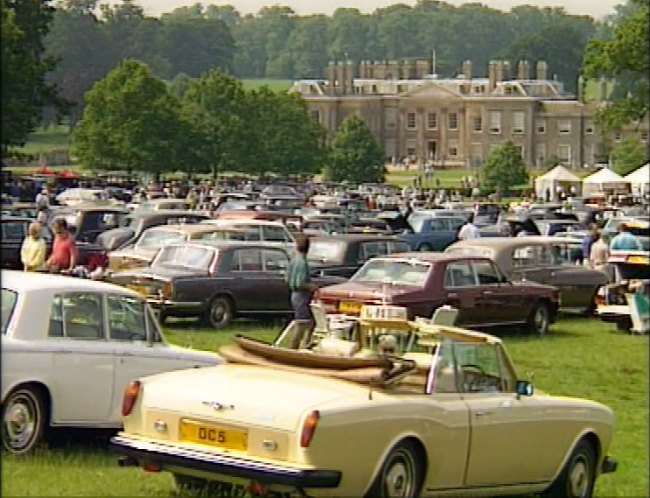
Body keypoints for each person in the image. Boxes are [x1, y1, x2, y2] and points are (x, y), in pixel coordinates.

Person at [285, 234, 318, 348]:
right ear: (308, 247)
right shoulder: (302, 263)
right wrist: (312, 287)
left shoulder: (293, 261)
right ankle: (294, 348)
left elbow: (287, 279)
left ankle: (306, 345)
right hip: (301, 296)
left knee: (310, 322)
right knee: (302, 323)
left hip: (294, 295)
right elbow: (300, 283)